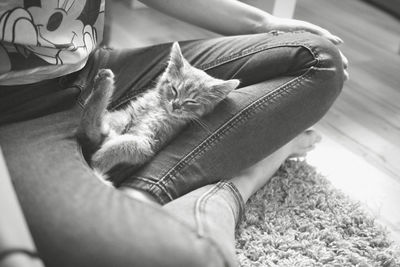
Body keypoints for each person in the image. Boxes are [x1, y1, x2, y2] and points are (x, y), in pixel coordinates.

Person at [0, 0, 348, 266]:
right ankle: (250, 172)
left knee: (319, 58)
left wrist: (263, 22)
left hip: (96, 66)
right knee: (188, 259)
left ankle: (142, 191)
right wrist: (11, 247)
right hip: (20, 112)